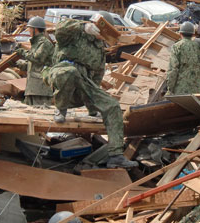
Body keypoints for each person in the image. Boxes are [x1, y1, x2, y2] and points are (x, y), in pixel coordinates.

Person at [42, 13, 137, 169]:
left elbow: (97, 76)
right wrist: (83, 26)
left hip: (83, 82)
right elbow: (59, 29)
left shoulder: (99, 48)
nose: (103, 37)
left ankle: (116, 155)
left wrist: (94, 108)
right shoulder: (76, 33)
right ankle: (61, 108)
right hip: (61, 72)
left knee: (112, 106)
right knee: (70, 72)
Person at [166, 21, 200, 95]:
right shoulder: (198, 48)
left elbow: (173, 69)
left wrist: (170, 88)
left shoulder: (176, 47)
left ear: (180, 33)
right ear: (193, 34)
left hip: (179, 91)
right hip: (196, 91)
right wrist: (199, 80)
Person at [15, 16, 54, 106]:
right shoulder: (36, 43)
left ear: (35, 29)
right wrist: (21, 64)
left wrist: (22, 52)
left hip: (41, 89)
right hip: (32, 88)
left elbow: (37, 58)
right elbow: (34, 64)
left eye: (29, 28)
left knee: (40, 115)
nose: (28, 31)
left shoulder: (44, 43)